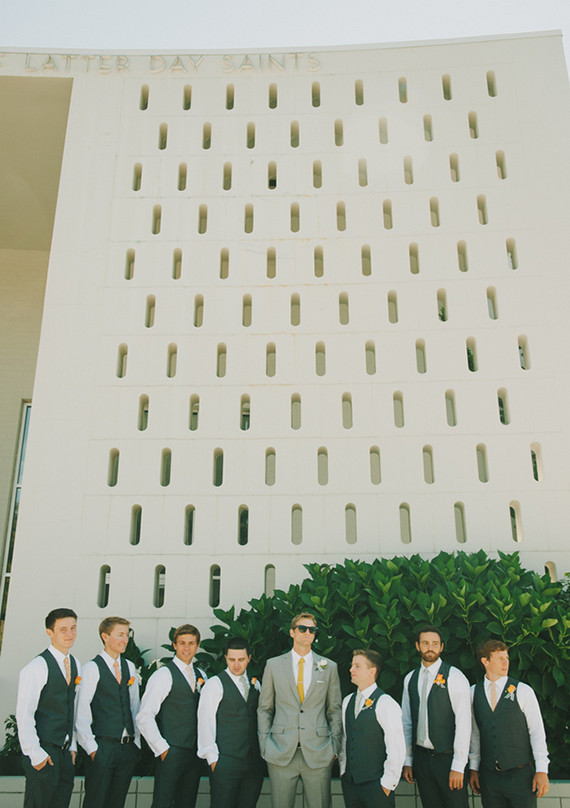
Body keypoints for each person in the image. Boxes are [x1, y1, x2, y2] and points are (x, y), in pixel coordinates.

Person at [257, 611, 342, 808]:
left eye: (312, 630)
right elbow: (265, 708)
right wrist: (265, 744)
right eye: (302, 628)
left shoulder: (328, 667)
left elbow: (334, 709)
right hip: (280, 750)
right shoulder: (273, 665)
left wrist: (334, 745)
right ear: (292, 632)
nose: (307, 633)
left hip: (319, 751)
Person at [469, 639, 550, 808]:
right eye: (500, 658)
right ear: (485, 661)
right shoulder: (472, 693)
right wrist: (474, 768)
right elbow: (475, 734)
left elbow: (537, 732)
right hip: (489, 778)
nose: (505, 662)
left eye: (506, 658)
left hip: (520, 776)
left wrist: (542, 770)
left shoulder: (523, 691)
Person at [136, 623, 207, 808]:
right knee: (163, 802)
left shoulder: (202, 675)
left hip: (194, 753)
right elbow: (144, 716)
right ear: (174, 645)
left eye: (191, 643)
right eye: (182, 643)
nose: (186, 648)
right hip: (171, 751)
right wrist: (162, 749)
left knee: (187, 803)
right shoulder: (163, 675)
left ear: (197, 645)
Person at [401, 624, 471, 808]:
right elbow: (406, 722)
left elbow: (464, 724)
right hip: (422, 759)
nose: (430, 647)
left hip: (448, 759)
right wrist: (408, 760)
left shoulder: (455, 676)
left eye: (435, 643)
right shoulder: (410, 679)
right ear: (417, 646)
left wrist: (458, 765)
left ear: (441, 647)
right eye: (425, 643)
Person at [16, 608, 79, 808]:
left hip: (64, 753)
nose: (70, 634)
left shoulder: (75, 663)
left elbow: (71, 707)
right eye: (63, 629)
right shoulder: (37, 667)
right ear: (49, 632)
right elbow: (24, 714)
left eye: (73, 628)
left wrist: (72, 746)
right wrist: (35, 754)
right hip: (43, 751)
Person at [75, 616, 141, 808]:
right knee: (96, 801)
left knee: (117, 802)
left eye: (126, 635)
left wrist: (136, 742)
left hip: (127, 748)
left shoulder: (129, 667)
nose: (125, 640)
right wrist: (92, 749)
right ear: (105, 636)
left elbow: (134, 706)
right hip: (102, 746)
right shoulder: (91, 668)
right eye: (120, 635)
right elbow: (81, 710)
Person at [197, 637, 264, 808]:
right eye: (232, 659)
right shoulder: (214, 684)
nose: (236, 664)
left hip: (252, 764)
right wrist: (213, 759)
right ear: (225, 658)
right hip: (225, 762)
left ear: (249, 658)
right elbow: (205, 722)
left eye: (241, 659)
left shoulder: (255, 684)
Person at [340, 649, 406, 807]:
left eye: (357, 666)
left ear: (372, 671)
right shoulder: (347, 701)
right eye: (352, 665)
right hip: (351, 785)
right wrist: (343, 771)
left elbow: (396, 748)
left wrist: (387, 784)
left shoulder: (386, 703)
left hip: (377, 786)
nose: (351, 670)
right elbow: (346, 739)